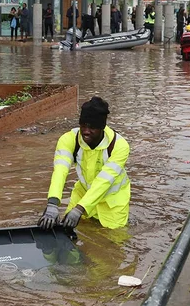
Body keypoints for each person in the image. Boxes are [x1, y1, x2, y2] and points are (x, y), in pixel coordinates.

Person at [37, 97, 131, 230]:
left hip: (112, 202)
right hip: (83, 193)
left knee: (114, 240)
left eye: (92, 127)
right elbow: (60, 172)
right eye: (83, 125)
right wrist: (52, 204)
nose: (86, 131)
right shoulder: (68, 140)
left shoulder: (119, 146)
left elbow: (104, 181)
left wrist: (79, 209)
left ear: (102, 128)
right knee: (71, 232)